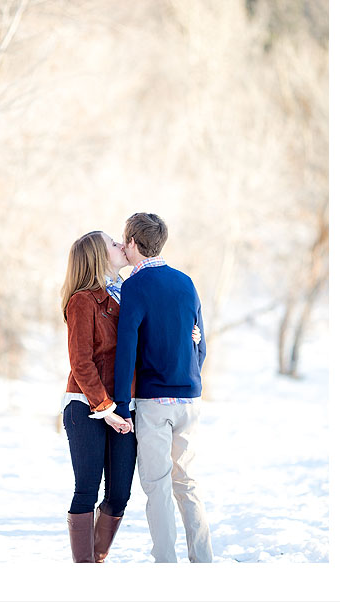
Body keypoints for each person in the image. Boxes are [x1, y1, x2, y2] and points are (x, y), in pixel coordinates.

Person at [112, 212, 213, 563]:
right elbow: (200, 344)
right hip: (189, 399)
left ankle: (166, 567)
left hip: (154, 403)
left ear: (133, 243)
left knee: (157, 487)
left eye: (125, 241)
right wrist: (188, 376)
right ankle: (203, 561)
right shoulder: (186, 282)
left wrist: (122, 404)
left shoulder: (134, 286)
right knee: (188, 484)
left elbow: (125, 350)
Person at [59, 230, 137, 563]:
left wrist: (186, 334)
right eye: (113, 243)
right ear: (97, 256)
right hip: (85, 406)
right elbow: (81, 360)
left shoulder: (129, 294)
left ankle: (96, 559)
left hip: (123, 406)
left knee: (119, 493)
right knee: (87, 490)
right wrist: (104, 409)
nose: (122, 245)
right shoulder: (83, 300)